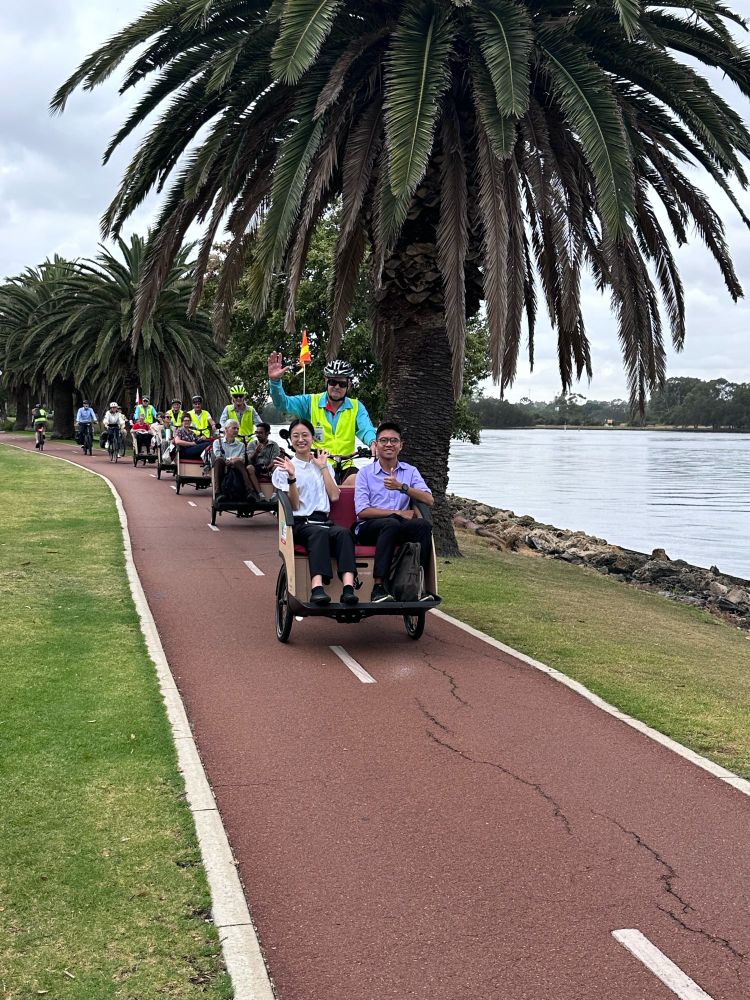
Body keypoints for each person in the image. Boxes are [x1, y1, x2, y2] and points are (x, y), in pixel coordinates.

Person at [272, 418, 359, 606]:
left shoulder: (321, 465)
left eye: (305, 435)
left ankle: (348, 588)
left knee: (344, 533)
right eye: (296, 436)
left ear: (313, 438)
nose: (301, 439)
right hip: (300, 523)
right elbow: (294, 506)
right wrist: (292, 477)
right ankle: (317, 587)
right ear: (291, 440)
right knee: (317, 533)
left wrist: (323, 468)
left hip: (324, 521)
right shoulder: (284, 468)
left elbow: (335, 496)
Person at [354, 421, 434, 602]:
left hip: (398, 527)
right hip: (369, 528)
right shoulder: (365, 473)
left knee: (423, 525)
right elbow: (362, 511)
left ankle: (416, 583)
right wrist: (396, 513)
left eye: (393, 441)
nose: (389, 444)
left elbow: (429, 499)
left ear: (400, 445)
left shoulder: (410, 471)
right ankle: (379, 587)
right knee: (390, 523)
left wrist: (402, 487)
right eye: (383, 440)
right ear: (376, 444)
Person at [267, 353, 376, 469]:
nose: (337, 387)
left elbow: (366, 429)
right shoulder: (310, 402)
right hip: (317, 464)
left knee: (355, 483)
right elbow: (283, 404)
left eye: (342, 384)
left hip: (346, 464)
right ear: (326, 381)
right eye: (333, 382)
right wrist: (275, 382)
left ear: (348, 385)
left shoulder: (357, 406)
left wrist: (373, 442)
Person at [213, 419, 263, 501]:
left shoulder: (241, 445)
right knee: (218, 460)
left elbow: (242, 459)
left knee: (238, 462)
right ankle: (218, 492)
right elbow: (218, 455)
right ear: (226, 429)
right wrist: (232, 459)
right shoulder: (217, 442)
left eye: (237, 429)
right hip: (223, 465)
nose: (236, 430)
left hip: (237, 467)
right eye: (234, 428)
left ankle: (250, 491)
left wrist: (233, 461)